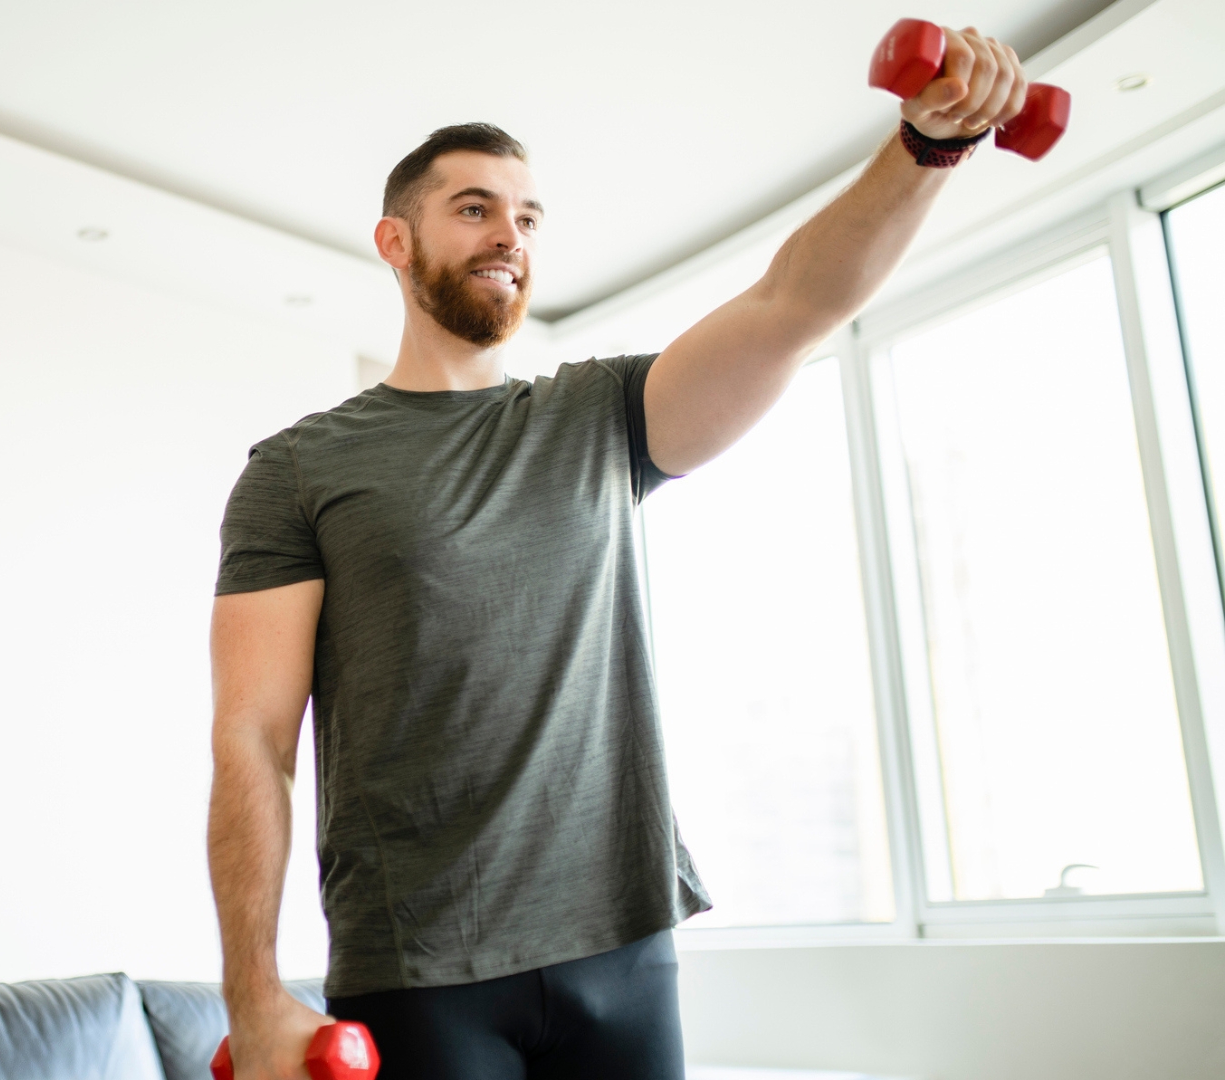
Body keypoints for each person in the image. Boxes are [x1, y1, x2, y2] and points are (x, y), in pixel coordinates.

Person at [208, 25, 1027, 1080]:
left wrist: (926, 148)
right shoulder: (298, 469)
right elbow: (252, 742)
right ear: (395, 242)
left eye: (528, 216)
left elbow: (794, 305)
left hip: (624, 948)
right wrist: (253, 991)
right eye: (473, 209)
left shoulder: (596, 418)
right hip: (420, 969)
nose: (511, 234)